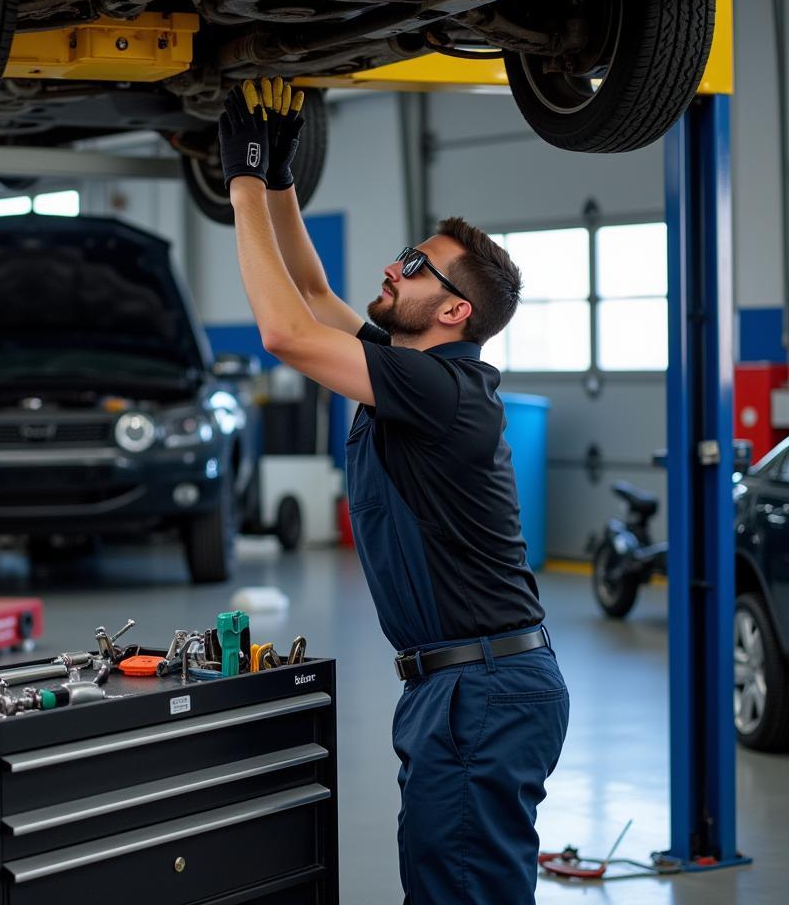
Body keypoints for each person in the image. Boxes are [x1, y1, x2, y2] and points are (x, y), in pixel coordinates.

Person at [217, 79, 569, 905]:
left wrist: (239, 174)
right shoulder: (413, 374)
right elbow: (309, 294)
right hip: (461, 688)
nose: (392, 265)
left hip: (480, 692)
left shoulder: (440, 392)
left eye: (413, 266)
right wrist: (279, 175)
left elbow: (283, 332)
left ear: (451, 309)